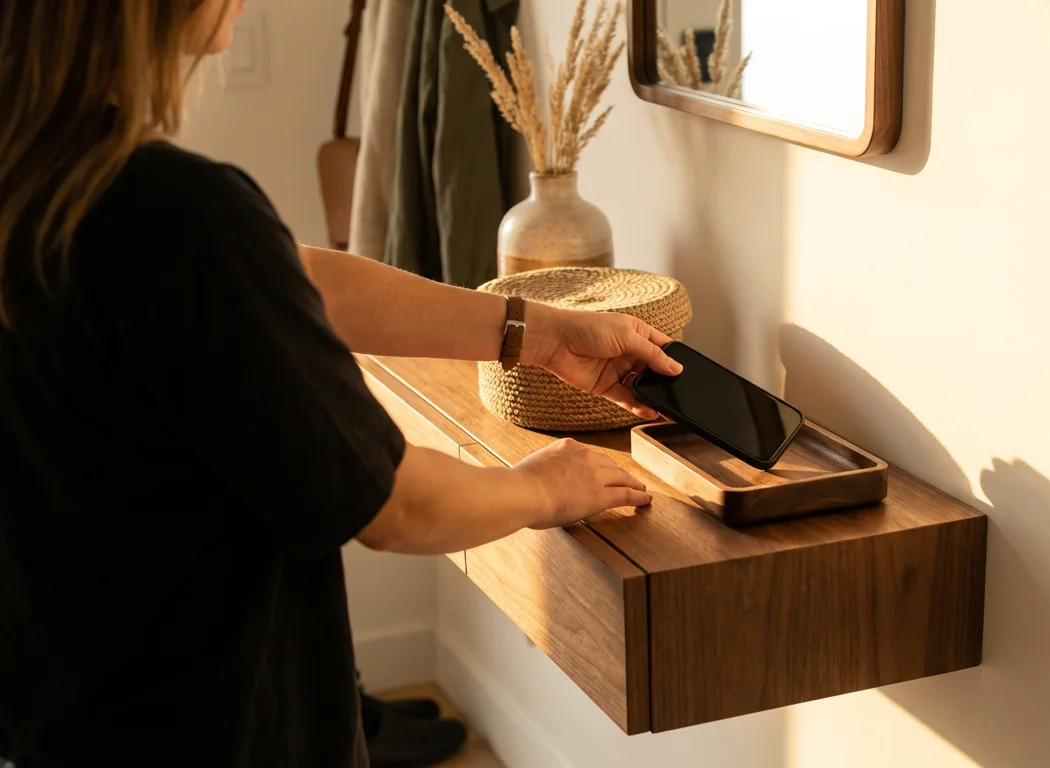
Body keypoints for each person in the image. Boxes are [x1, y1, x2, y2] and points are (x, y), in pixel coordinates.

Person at [0, 1, 682, 766]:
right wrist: (546, 489)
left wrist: (537, 330)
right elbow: (397, 505)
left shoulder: (45, 186)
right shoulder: (178, 215)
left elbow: (292, 278)